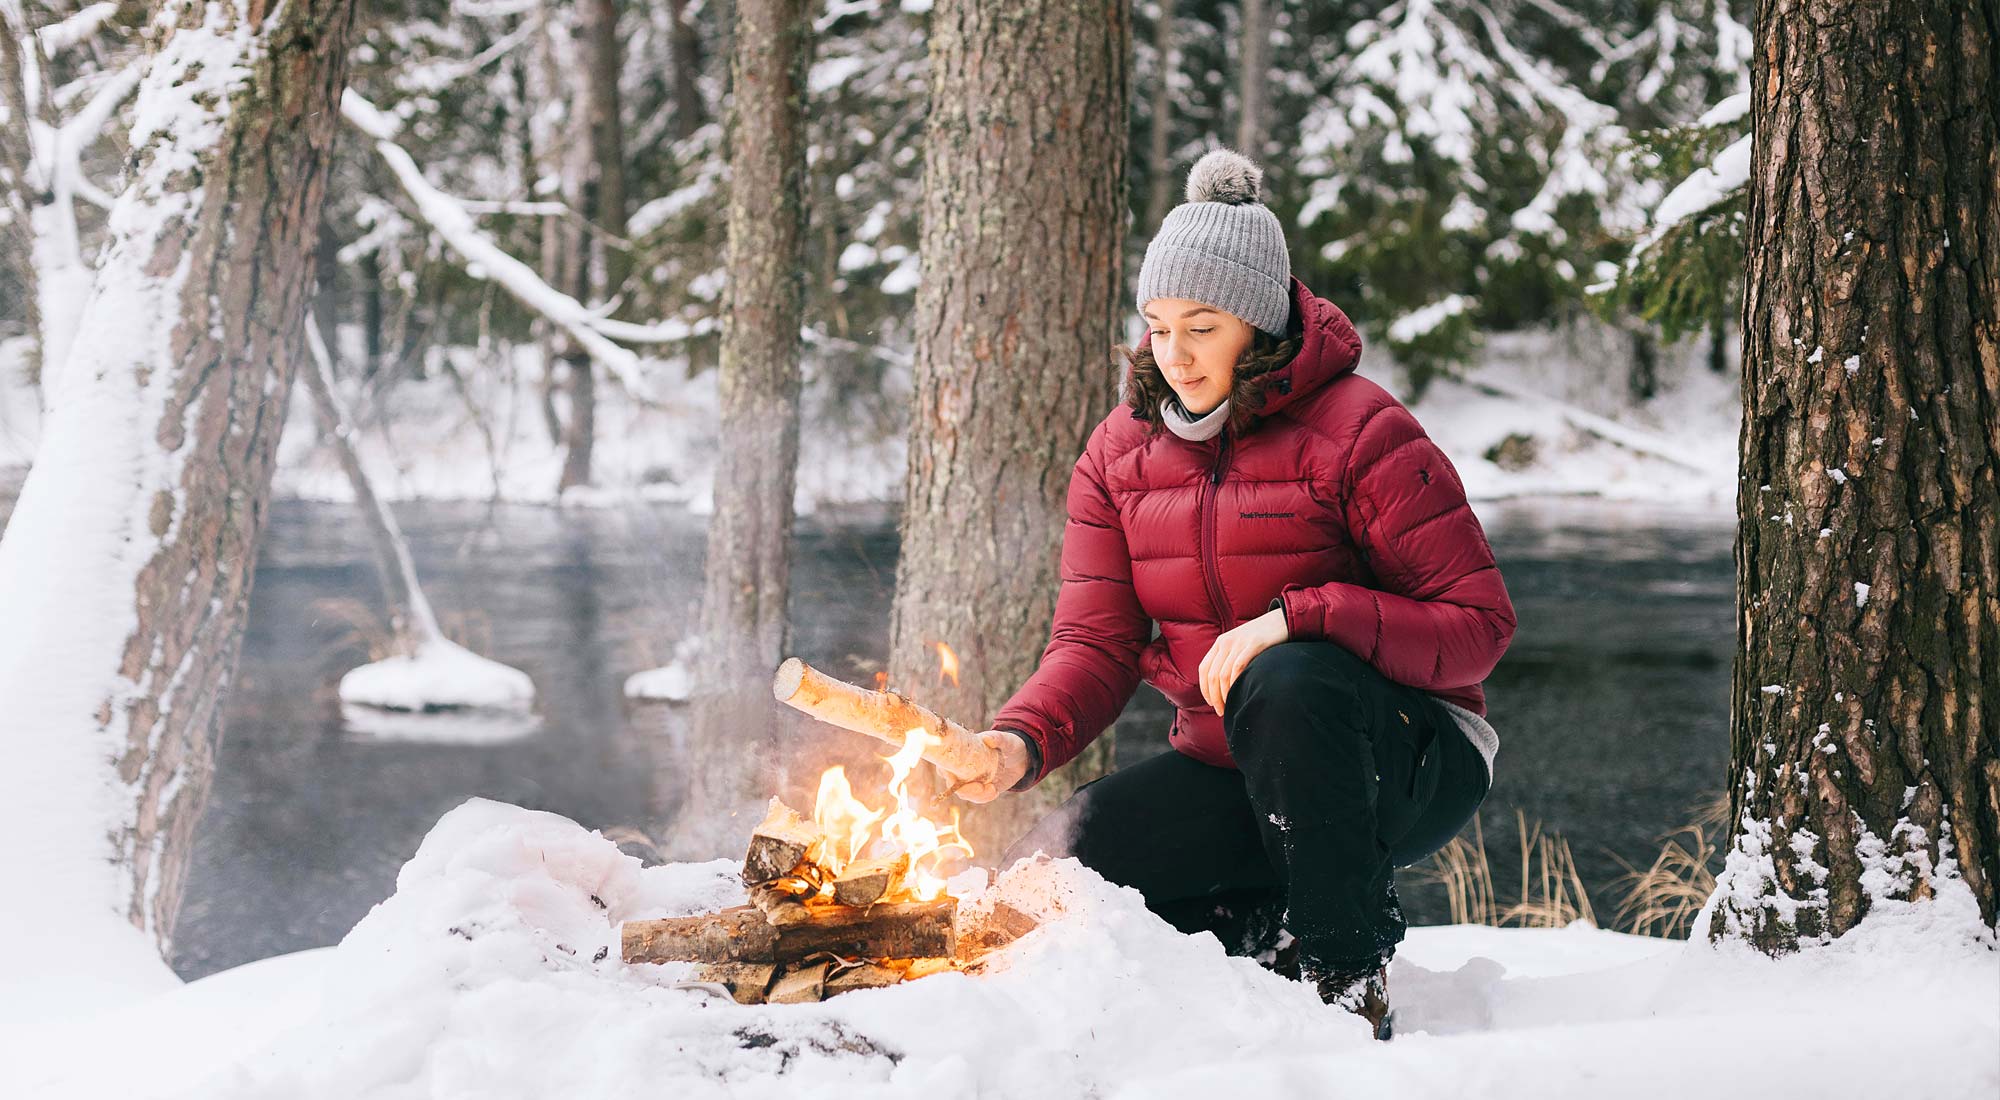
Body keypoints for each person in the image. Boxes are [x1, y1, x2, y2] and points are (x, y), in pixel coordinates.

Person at [949, 148, 1516, 1040]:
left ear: (1257, 322)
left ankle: (1343, 973)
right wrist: (1018, 741)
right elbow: (1093, 641)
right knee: (1056, 873)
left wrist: (1297, 616)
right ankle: (1255, 931)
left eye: (1201, 326)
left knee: (1286, 679)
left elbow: (1479, 629)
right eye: (1156, 325)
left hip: (1406, 760)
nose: (1172, 354)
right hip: (1239, 768)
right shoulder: (1118, 456)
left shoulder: (1361, 431)